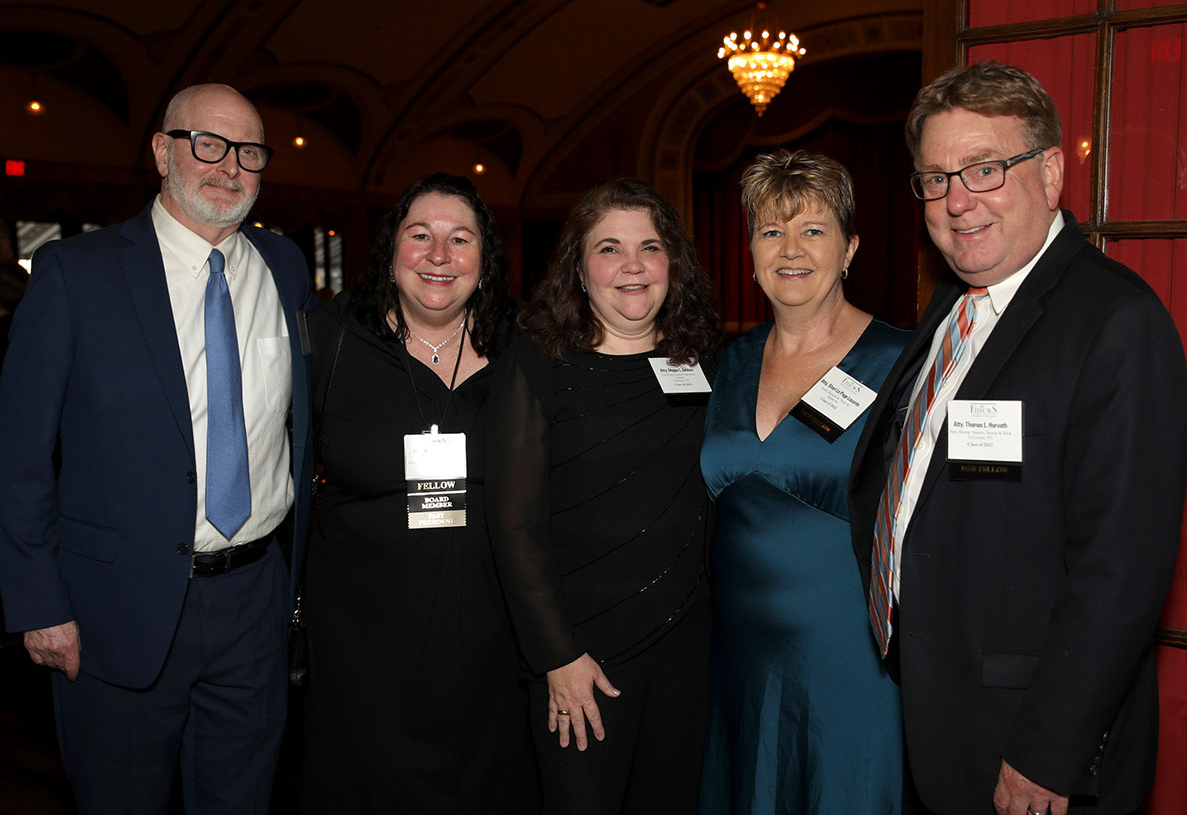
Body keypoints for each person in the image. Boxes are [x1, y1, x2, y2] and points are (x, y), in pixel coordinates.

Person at [848, 60, 1187, 815]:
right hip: (938, 715)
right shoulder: (952, 306)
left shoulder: (1115, 321)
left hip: (1030, 750)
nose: (956, 201)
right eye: (935, 178)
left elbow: (1121, 570)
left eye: (985, 168)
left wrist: (1046, 753)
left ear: (1052, 174)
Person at [0, 84, 314, 813]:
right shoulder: (77, 275)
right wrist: (37, 602)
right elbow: (17, 455)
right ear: (161, 151)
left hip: (256, 601)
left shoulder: (283, 266)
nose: (228, 166)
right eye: (207, 143)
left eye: (249, 151)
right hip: (118, 609)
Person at [485, 178, 722, 814]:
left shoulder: (701, 361)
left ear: (674, 261)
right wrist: (557, 657)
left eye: (650, 246)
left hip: (686, 653)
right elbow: (513, 525)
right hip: (581, 658)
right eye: (610, 247)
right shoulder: (537, 362)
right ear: (579, 268)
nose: (633, 265)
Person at [300, 173, 532, 813]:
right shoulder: (330, 339)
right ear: (390, 249)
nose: (438, 256)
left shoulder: (529, 345)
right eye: (420, 236)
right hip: (362, 635)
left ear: (485, 259)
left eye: (460, 239)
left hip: (492, 634)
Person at [698, 149, 907, 813]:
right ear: (752, 252)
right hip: (739, 660)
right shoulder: (727, 363)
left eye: (812, 230)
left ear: (850, 248)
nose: (790, 249)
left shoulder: (901, 363)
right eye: (770, 231)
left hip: (852, 664)